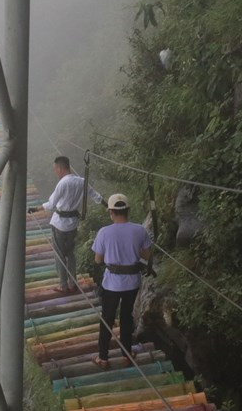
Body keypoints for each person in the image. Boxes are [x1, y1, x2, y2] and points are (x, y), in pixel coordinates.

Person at [91, 194, 152, 368]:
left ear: (111, 212)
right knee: (126, 317)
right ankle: (126, 354)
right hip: (132, 282)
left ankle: (103, 357)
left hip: (111, 283)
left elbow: (98, 260)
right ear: (128, 211)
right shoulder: (139, 230)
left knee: (107, 318)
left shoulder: (104, 232)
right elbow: (147, 255)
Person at [28, 156, 104, 294]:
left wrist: (36, 209)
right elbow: (96, 196)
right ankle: (72, 284)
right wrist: (108, 205)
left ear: (60, 168)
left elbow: (51, 204)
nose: (55, 172)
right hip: (73, 224)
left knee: (60, 255)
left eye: (55, 169)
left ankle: (63, 285)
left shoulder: (63, 183)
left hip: (59, 224)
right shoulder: (82, 181)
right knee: (70, 254)